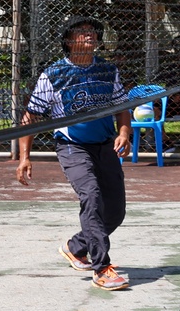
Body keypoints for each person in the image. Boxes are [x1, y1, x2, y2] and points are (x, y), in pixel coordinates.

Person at [16, 15, 132, 291]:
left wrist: (124, 133)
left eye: (92, 31)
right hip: (73, 147)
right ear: (68, 41)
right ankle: (102, 268)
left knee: (114, 212)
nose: (89, 35)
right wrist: (24, 157)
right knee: (91, 196)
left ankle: (76, 246)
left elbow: (122, 107)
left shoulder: (107, 70)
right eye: (82, 32)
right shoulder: (53, 75)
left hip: (105, 146)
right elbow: (30, 117)